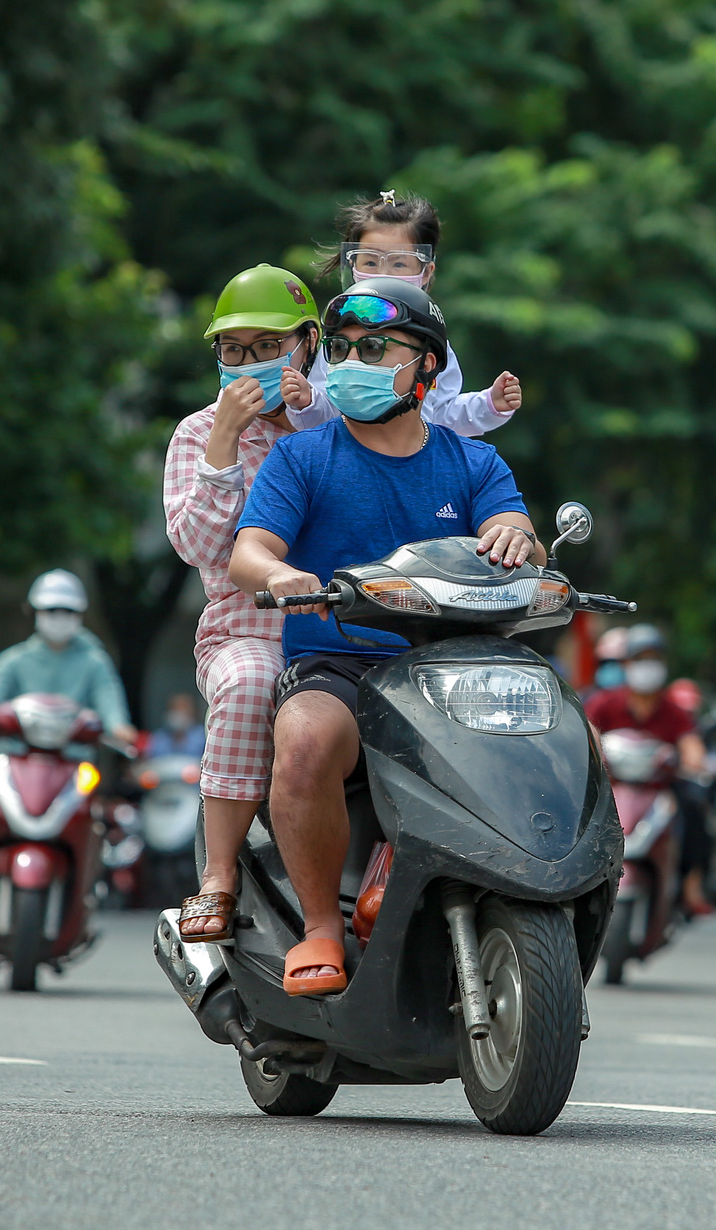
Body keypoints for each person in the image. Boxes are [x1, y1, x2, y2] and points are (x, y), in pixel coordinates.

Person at [229, 277, 541, 995]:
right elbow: (250, 552)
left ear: (427, 366)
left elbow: (522, 533)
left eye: (374, 348)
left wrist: (512, 534)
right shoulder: (302, 457)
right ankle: (319, 929)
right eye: (338, 349)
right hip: (337, 665)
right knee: (303, 739)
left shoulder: (474, 462)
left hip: (450, 672)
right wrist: (278, 576)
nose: (349, 363)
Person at [162, 265, 320, 943]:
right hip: (247, 630)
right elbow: (199, 545)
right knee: (252, 683)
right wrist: (226, 440)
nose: (250, 363)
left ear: (308, 343)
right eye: (234, 350)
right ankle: (220, 873)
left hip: (351, 630)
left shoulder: (342, 423)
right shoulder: (199, 434)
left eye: (267, 345)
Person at [289, 191, 524, 436]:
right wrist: (307, 402)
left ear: (426, 271)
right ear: (352, 265)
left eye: (399, 264)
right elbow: (323, 415)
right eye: (370, 262)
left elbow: (441, 414)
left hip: (413, 463)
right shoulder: (343, 338)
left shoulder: (429, 340)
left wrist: (488, 405)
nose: (383, 274)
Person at [584, 625, 714, 916]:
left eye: (653, 659)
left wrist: (695, 761)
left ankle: (691, 885)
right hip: (612, 785)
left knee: (695, 807)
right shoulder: (606, 702)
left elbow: (691, 745)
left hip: (658, 789)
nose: (647, 667)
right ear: (627, 664)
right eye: (640, 659)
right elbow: (586, 731)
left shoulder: (673, 710)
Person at [0, 570, 138, 747]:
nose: (59, 617)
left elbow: (109, 700)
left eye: (67, 611)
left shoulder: (94, 661)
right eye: (51, 610)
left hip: (73, 756)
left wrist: (119, 727)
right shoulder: (14, 659)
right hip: (19, 753)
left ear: (80, 614)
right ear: (34, 612)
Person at [148, 695, 207, 760]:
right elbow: (150, 761)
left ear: (192, 712)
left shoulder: (202, 736)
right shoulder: (158, 737)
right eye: (175, 709)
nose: (179, 713)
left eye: (183, 709)